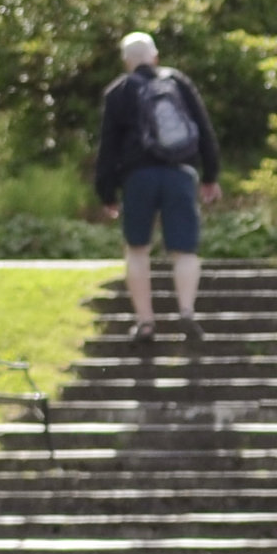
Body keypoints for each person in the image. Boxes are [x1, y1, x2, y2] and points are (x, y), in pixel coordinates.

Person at [92, 30, 219, 345]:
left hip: (138, 177)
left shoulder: (119, 92)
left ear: (126, 62)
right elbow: (204, 130)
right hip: (180, 173)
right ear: (155, 57)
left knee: (137, 248)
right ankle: (187, 311)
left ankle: (146, 321)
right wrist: (210, 176)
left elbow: (108, 148)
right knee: (185, 249)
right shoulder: (178, 83)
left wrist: (106, 193)